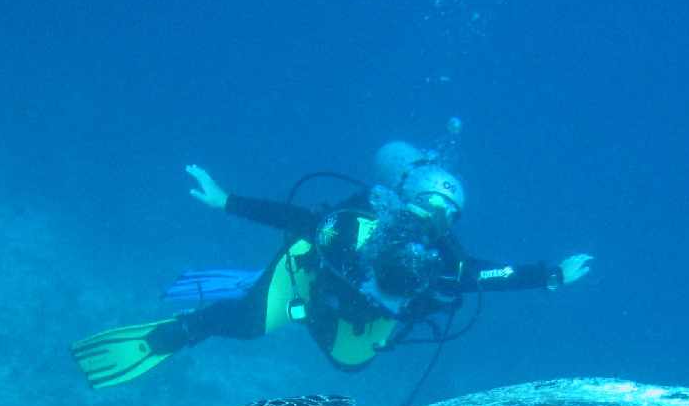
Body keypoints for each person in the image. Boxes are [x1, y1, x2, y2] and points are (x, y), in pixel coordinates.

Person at [71, 141, 593, 388]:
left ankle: (277, 298)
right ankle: (188, 327)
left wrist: (548, 275)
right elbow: (296, 217)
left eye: (444, 214)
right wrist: (225, 200)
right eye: (424, 204)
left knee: (351, 364)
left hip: (351, 313)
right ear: (403, 199)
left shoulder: (442, 266)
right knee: (251, 324)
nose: (429, 219)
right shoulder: (351, 229)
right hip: (307, 278)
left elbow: (493, 276)